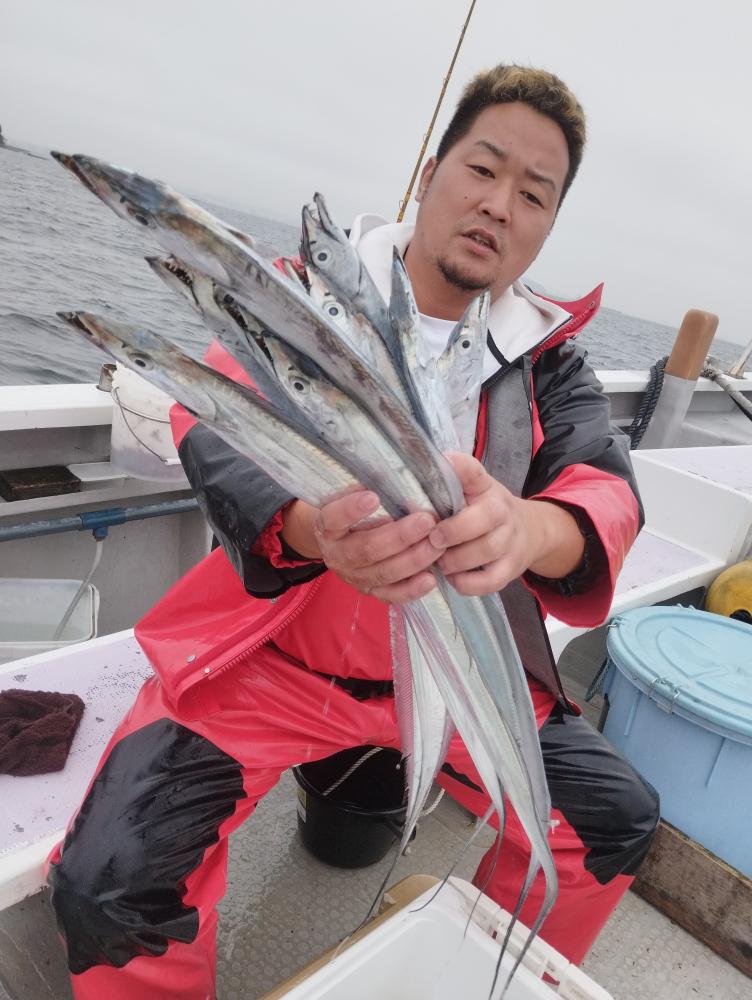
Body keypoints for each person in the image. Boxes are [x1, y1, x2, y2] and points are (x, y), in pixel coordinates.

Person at [47, 64, 660, 999]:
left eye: (534, 195)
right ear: (430, 172)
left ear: (547, 227)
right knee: (110, 886)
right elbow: (216, 422)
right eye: (482, 168)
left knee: (613, 822)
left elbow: (604, 491)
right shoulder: (297, 304)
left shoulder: (552, 367)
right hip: (273, 664)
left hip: (461, 677)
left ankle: (490, 977)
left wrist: (528, 529)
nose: (499, 205)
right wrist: (310, 527)